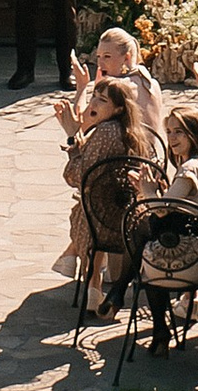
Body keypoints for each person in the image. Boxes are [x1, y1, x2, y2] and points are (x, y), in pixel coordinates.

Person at [132, 108, 198, 354]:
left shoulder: (191, 169)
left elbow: (161, 210)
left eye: (179, 133)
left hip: (191, 259)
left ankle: (158, 328)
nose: (172, 138)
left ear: (194, 135)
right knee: (148, 240)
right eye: (170, 132)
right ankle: (153, 322)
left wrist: (146, 190)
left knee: (146, 249)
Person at [61, 75, 156, 315]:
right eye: (94, 96)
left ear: (118, 108)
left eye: (102, 100)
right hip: (128, 214)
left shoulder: (105, 132)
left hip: (107, 222)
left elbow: (79, 177)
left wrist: (74, 146)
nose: (93, 104)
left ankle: (86, 274)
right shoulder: (134, 131)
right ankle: (89, 279)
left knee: (84, 208)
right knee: (89, 204)